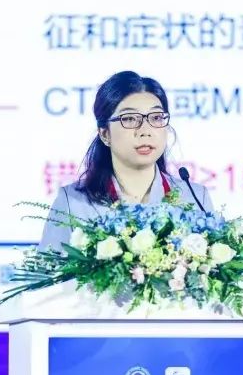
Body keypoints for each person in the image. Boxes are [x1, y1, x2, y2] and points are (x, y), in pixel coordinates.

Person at [38, 70, 214, 251]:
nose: (145, 131)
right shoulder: (73, 202)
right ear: (105, 133)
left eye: (156, 118)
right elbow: (49, 268)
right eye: (129, 119)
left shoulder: (195, 198)